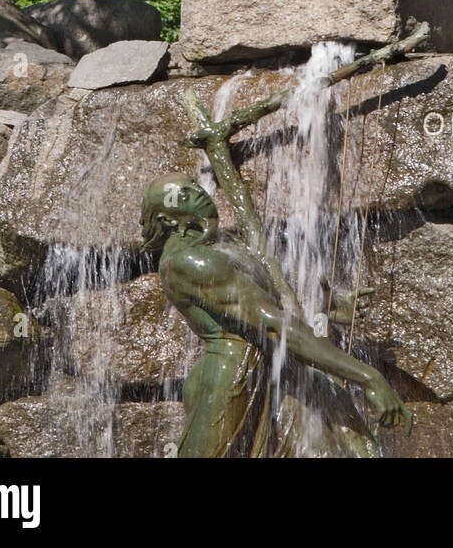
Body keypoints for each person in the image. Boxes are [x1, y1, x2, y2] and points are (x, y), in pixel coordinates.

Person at [140, 174, 412, 458]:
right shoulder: (190, 262)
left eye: (195, 187)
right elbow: (272, 324)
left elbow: (267, 297)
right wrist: (369, 377)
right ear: (168, 220)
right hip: (231, 379)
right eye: (183, 195)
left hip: (264, 369)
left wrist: (324, 306)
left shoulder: (215, 248)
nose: (199, 194)